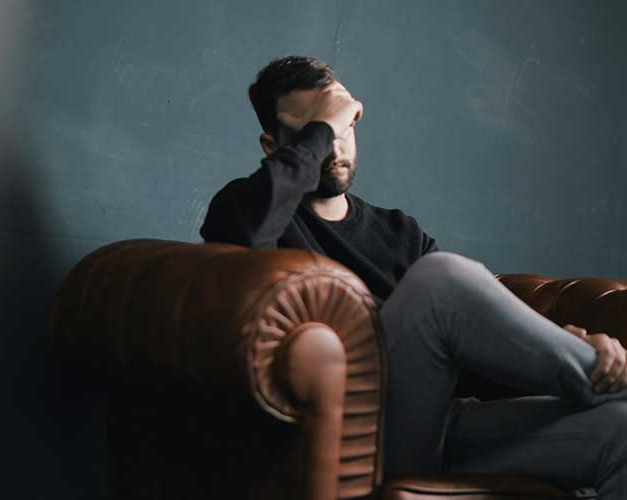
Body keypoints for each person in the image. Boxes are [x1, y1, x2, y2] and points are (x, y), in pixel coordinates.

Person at [199, 55, 627, 497]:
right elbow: (241, 240)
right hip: (352, 439)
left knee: (620, 429)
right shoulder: (246, 209)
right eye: (315, 129)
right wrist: (323, 128)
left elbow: (471, 361)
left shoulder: (399, 232)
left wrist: (563, 342)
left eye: (345, 124)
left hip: (436, 429)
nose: (335, 144)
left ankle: (602, 381)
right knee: (439, 279)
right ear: (274, 146)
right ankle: (602, 381)